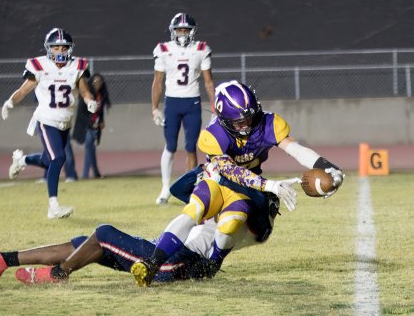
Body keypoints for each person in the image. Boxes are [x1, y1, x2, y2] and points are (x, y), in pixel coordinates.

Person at [130, 80, 344, 287]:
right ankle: (152, 263)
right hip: (217, 180)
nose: (246, 125)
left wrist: (328, 167)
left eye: (249, 117)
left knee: (231, 223)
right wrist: (271, 186)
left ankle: (212, 265)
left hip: (245, 189)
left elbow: (295, 149)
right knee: (193, 210)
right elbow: (230, 171)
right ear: (223, 120)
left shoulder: (267, 123)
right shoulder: (213, 134)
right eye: (239, 122)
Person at [0, 166, 279, 285]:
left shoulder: (252, 219)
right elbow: (179, 189)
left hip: (177, 262)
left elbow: (256, 203)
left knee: (102, 233)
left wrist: (236, 176)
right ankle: (3, 259)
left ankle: (58, 275)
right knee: (84, 242)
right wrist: (208, 168)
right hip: (166, 252)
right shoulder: (223, 201)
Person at [1, 28, 98, 219]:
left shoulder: (76, 66)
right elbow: (23, 91)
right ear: (48, 49)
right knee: (58, 158)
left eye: (64, 48)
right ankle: (53, 206)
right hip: (46, 120)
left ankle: (22, 161)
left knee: (48, 160)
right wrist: (9, 102)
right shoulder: (40, 66)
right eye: (56, 48)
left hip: (65, 121)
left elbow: (84, 90)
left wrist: (90, 101)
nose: (60, 52)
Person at [152, 12, 215, 205]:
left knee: (190, 147)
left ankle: (191, 189)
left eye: (186, 29)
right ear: (173, 31)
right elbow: (158, 82)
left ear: (192, 31)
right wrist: (154, 108)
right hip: (172, 102)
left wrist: (215, 106)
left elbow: (209, 82)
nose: (182, 33)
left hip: (192, 102)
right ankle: (165, 188)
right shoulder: (163, 49)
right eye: (179, 29)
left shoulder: (201, 48)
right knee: (170, 146)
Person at [72, 73, 111, 179]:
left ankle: (95, 173)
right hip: (86, 126)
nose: (98, 84)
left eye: (100, 82)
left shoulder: (101, 96)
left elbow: (100, 111)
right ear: (91, 82)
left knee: (91, 148)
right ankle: (87, 174)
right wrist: (91, 123)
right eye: (95, 82)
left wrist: (101, 121)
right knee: (89, 146)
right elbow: (80, 114)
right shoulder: (87, 95)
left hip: (96, 126)